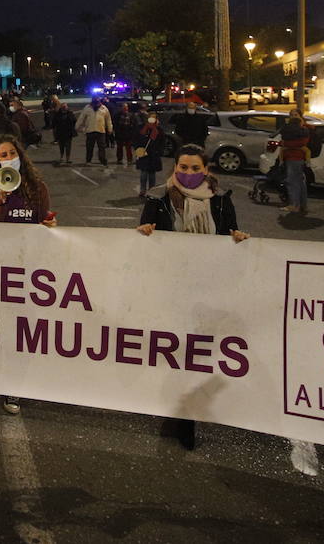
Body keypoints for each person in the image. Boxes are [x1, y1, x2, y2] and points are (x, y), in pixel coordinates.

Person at [137, 144, 249, 448]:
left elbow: (231, 235)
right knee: (180, 353)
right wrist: (145, 232)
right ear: (174, 168)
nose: (187, 173)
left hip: (210, 289)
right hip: (173, 289)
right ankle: (183, 418)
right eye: (182, 168)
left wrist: (238, 238)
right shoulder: (158, 199)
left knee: (199, 354)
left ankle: (187, 411)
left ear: (206, 170)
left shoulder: (222, 202)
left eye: (194, 168)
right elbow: (143, 238)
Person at [0, 138, 57, 414]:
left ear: (20, 157)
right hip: (2, 266)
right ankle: (1, 375)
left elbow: (44, 218)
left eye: (12, 153)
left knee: (24, 328)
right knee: (2, 325)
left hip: (30, 266)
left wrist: (49, 224)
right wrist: (1, 200)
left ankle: (15, 387)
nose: (9, 157)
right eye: (3, 154)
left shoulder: (38, 188)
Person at [277, 112, 312, 215]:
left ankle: (294, 205)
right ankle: (302, 205)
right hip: (298, 159)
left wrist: (285, 144)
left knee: (293, 182)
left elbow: (299, 143)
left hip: (294, 159)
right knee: (300, 183)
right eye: (291, 114)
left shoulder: (301, 130)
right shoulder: (300, 130)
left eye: (295, 115)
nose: (293, 117)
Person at [134, 112, 168, 198]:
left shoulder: (159, 130)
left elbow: (162, 142)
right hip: (144, 153)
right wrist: (138, 149)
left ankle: (151, 190)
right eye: (150, 117)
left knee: (152, 174)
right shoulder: (142, 128)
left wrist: (159, 151)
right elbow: (136, 139)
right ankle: (142, 190)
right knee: (144, 173)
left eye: (153, 117)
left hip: (154, 154)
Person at [76, 98, 111, 167]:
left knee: (102, 147)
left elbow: (108, 119)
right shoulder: (87, 108)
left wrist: (110, 128)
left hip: (100, 130)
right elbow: (81, 118)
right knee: (89, 147)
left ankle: (102, 160)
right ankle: (88, 160)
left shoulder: (104, 109)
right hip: (90, 130)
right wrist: (77, 126)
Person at [47, 95, 76, 167]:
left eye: (65, 107)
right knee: (61, 146)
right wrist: (53, 128)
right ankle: (62, 157)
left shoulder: (70, 113)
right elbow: (54, 122)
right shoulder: (58, 114)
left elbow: (74, 120)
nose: (65, 108)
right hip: (60, 133)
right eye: (64, 107)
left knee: (68, 146)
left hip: (68, 133)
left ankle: (68, 158)